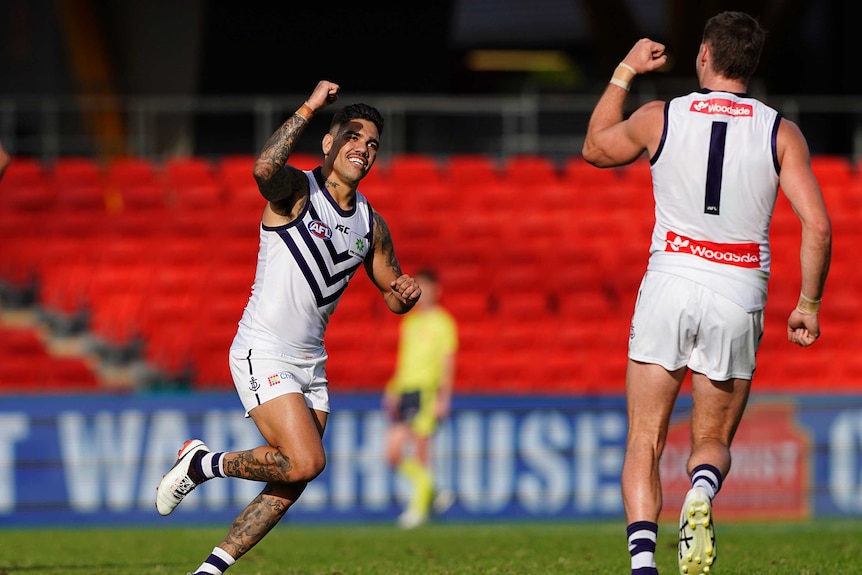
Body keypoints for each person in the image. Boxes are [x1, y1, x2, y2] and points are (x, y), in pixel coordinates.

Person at [581, 11, 831, 575]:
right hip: (737, 286)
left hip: (670, 279)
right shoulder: (779, 131)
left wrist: (625, 69)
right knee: (713, 437)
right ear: (752, 63)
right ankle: (701, 491)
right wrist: (808, 305)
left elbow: (595, 149)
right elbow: (816, 226)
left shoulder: (659, 116)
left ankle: (643, 565)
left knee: (644, 438)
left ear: (703, 55)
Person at [155, 80, 422, 575]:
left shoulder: (371, 223)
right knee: (306, 461)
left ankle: (209, 570)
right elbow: (262, 169)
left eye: (372, 145)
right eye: (352, 137)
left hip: (311, 364)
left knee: (293, 477)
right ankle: (201, 463)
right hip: (264, 348)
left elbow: (391, 293)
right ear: (329, 142)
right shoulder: (298, 190)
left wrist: (405, 294)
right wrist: (310, 107)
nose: (362, 149)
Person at [382, 268, 458, 529]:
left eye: (427, 288)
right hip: (405, 391)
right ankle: (433, 492)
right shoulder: (410, 322)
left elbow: (447, 363)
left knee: (421, 451)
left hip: (426, 392)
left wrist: (443, 397)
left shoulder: (443, 323)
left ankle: (418, 509)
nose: (422, 294)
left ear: (438, 291)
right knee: (393, 453)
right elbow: (405, 360)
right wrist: (393, 388)